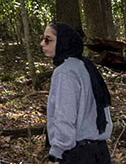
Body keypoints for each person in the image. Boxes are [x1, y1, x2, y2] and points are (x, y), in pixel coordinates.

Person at [41, 23, 112, 164]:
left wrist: (58, 151)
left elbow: (64, 117)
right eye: (43, 39)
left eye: (48, 39)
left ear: (63, 41)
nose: (42, 43)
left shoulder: (65, 72)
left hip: (78, 154)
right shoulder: (85, 65)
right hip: (100, 151)